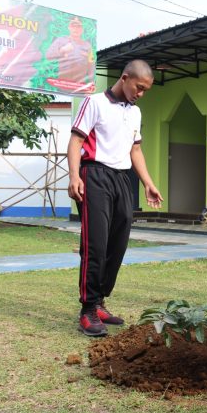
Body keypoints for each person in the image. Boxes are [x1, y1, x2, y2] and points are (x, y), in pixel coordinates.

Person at [67, 59, 163, 337]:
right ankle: (87, 309)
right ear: (125, 78)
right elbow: (75, 142)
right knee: (95, 243)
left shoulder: (135, 112)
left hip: (123, 178)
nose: (141, 93)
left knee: (117, 243)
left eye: (146, 90)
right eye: (139, 87)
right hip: (94, 174)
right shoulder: (94, 102)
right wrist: (75, 176)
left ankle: (99, 302)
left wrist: (148, 183)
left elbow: (135, 150)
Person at [45, 16, 95, 93]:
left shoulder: (87, 46)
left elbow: (91, 67)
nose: (76, 29)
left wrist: (91, 85)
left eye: (79, 26)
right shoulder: (61, 41)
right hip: (63, 85)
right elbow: (48, 55)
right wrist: (62, 50)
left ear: (82, 29)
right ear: (69, 27)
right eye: (73, 26)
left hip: (80, 87)